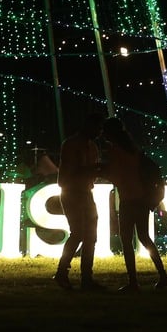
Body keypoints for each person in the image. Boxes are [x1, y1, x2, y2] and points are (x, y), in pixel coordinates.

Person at [101, 116, 167, 292]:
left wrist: (97, 170)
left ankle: (133, 282)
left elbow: (116, 176)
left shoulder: (114, 150)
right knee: (144, 237)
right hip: (141, 198)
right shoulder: (134, 150)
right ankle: (163, 276)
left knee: (126, 240)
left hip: (128, 200)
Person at [53, 113, 105, 291]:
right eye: (98, 129)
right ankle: (64, 273)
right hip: (73, 192)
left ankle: (83, 278)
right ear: (89, 126)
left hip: (84, 192)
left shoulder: (91, 146)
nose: (99, 133)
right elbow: (71, 173)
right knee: (79, 234)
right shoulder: (72, 144)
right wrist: (95, 170)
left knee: (89, 236)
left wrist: (95, 171)